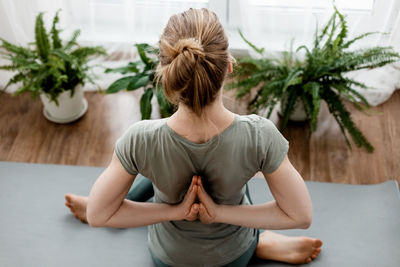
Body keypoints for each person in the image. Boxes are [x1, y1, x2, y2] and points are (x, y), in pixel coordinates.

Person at [65, 8, 322, 267]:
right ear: (229, 66)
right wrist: (218, 213)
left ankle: (117, 204)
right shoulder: (259, 135)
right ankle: (260, 241)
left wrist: (176, 212)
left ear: (167, 72)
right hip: (232, 258)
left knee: (148, 162)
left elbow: (97, 216)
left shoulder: (140, 139)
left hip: (168, 259)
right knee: (239, 178)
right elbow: (300, 215)